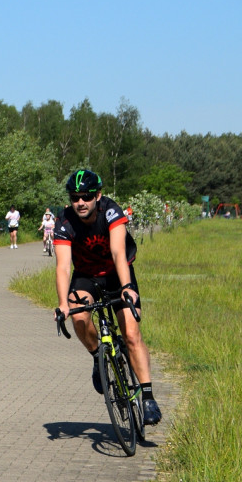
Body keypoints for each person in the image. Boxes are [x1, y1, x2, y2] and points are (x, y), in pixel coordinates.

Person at [53, 169, 162, 425]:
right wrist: (62, 304)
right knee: (78, 313)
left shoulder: (111, 212)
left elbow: (117, 253)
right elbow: (62, 267)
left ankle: (147, 398)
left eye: (87, 197)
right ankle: (97, 356)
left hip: (117, 273)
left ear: (97, 196)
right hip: (86, 276)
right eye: (75, 197)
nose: (80, 202)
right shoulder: (65, 221)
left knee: (132, 335)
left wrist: (126, 287)